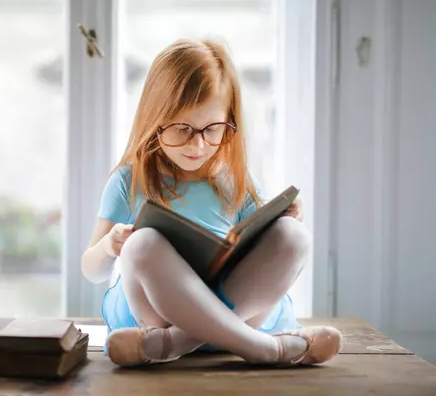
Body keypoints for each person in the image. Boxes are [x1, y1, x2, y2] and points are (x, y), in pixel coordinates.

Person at [81, 39, 343, 367]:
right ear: (154, 120)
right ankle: (265, 349)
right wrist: (109, 246)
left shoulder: (235, 178)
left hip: (235, 310)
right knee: (141, 245)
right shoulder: (129, 180)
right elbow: (91, 270)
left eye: (213, 129)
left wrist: (285, 218)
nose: (198, 144)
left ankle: (177, 343)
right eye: (181, 129)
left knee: (294, 235)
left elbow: (266, 248)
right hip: (156, 313)